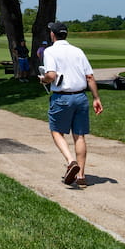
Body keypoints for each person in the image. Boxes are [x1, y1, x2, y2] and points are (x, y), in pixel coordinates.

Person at [39, 21, 103, 188]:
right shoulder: (78, 51)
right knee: (79, 135)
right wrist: (96, 98)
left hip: (62, 97)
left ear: (53, 35)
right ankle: (81, 175)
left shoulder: (50, 51)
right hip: (81, 96)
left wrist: (43, 79)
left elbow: (51, 75)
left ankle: (70, 161)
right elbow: (89, 76)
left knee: (56, 131)